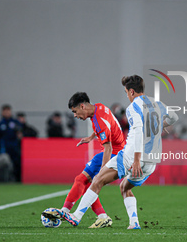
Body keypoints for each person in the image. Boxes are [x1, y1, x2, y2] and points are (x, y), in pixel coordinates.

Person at [54, 75, 178, 229]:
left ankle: (76, 216)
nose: (126, 95)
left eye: (126, 92)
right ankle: (134, 223)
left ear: (132, 92)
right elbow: (174, 116)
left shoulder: (133, 107)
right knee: (125, 187)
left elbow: (138, 131)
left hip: (131, 156)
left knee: (97, 180)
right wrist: (160, 126)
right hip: (152, 161)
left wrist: (137, 160)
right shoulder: (157, 103)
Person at [43, 92, 125, 228]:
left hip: (114, 154)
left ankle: (66, 212)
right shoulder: (99, 107)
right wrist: (92, 136)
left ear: (82, 106)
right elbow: (106, 125)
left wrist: (102, 172)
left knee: (82, 180)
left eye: (75, 111)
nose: (75, 115)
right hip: (119, 151)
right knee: (85, 182)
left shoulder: (99, 120)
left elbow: (108, 148)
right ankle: (102, 216)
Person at [0, 104, 22, 182]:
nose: (6, 113)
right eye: (5, 111)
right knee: (6, 166)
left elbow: (21, 134)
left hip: (15, 149)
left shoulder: (15, 122)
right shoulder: (0, 124)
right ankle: (6, 181)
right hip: (5, 150)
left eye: (8, 111)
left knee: (17, 165)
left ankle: (18, 181)